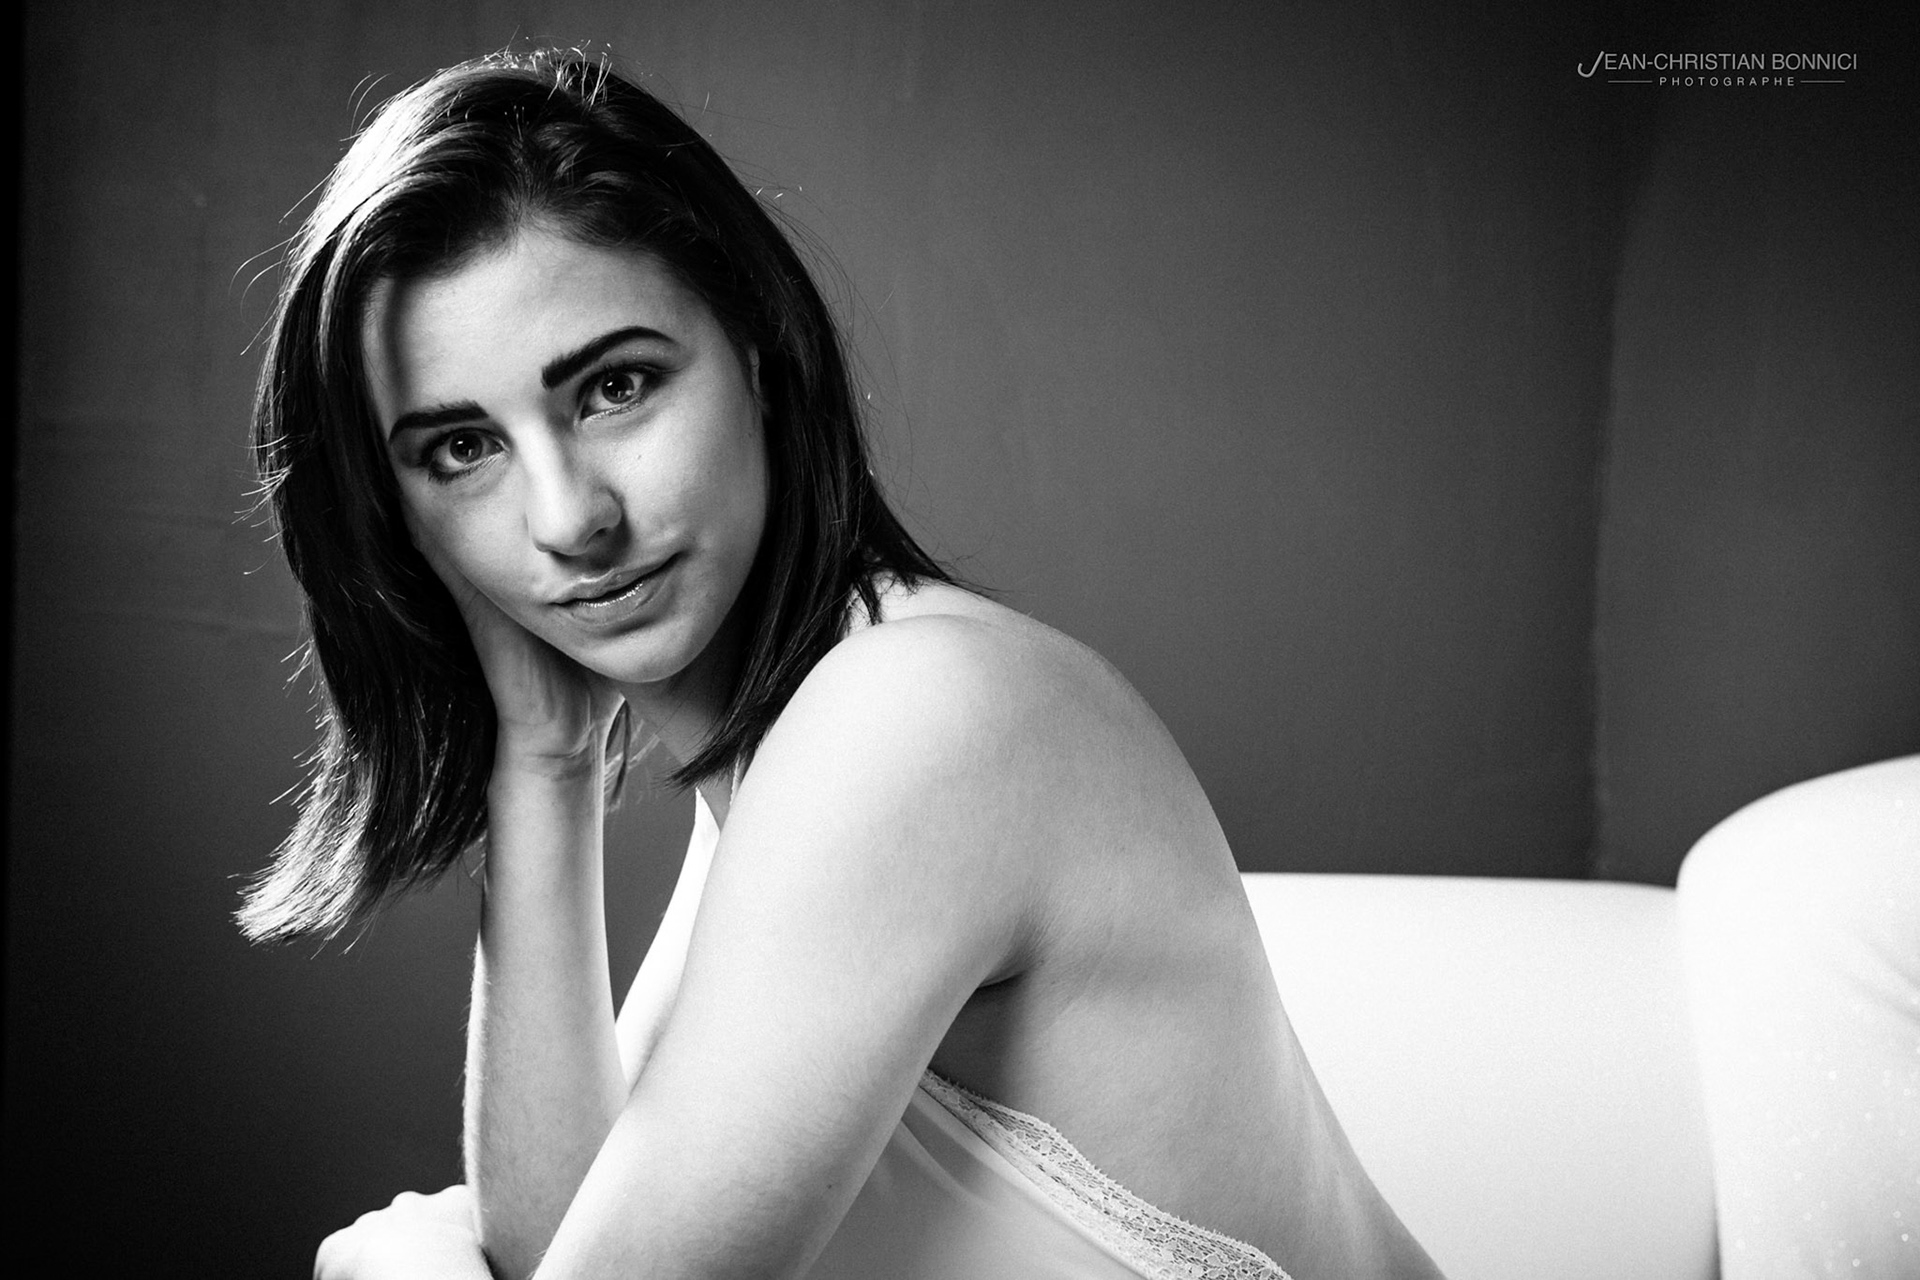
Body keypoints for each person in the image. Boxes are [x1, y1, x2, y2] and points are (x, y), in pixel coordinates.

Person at [240, 48, 1445, 1280]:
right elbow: (565, 1240)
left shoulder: (912, 720)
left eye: (615, 386)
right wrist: (544, 758)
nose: (568, 517)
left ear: (758, 350)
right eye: (461, 449)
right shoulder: (776, 756)